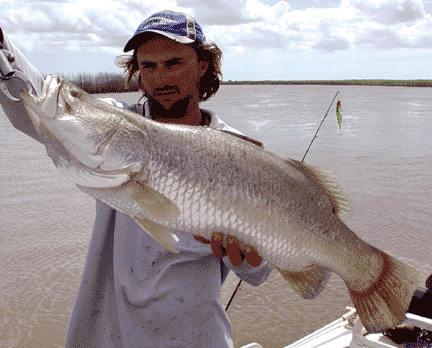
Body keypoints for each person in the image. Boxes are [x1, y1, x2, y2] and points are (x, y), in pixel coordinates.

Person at [0, 10, 272, 348]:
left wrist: (243, 253)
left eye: (174, 63)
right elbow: (33, 104)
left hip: (198, 336)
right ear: (137, 71)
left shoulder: (239, 153)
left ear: (202, 65)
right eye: (149, 66)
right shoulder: (112, 126)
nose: (161, 78)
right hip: (108, 334)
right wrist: (3, 48)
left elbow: (259, 274)